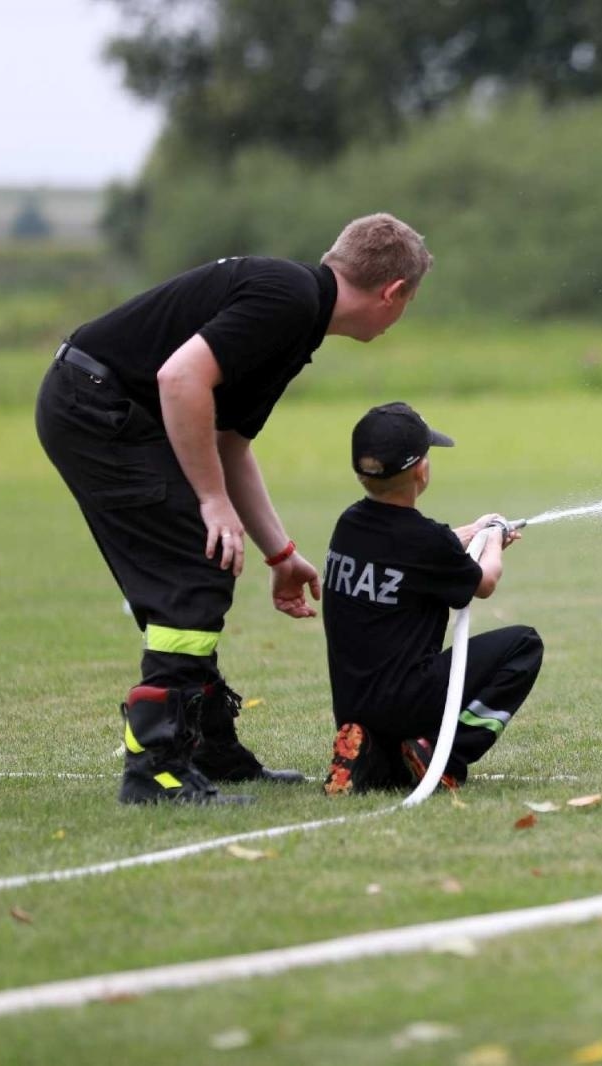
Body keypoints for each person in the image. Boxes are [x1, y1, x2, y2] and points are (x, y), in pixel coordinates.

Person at [36, 214, 432, 805]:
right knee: (192, 574)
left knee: (200, 562)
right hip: (98, 408)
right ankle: (159, 771)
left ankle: (205, 748)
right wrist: (211, 499)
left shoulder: (300, 317)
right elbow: (179, 379)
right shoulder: (289, 299)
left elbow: (228, 441)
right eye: (407, 305)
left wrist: (281, 553)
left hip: (98, 404)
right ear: (393, 292)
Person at [321, 402, 543, 795]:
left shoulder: (349, 525)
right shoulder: (425, 540)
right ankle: (442, 751)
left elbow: (419, 553)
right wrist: (492, 539)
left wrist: (474, 530)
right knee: (523, 646)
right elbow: (485, 581)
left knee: (388, 759)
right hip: (407, 700)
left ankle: (368, 750)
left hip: (354, 705)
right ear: (421, 470)